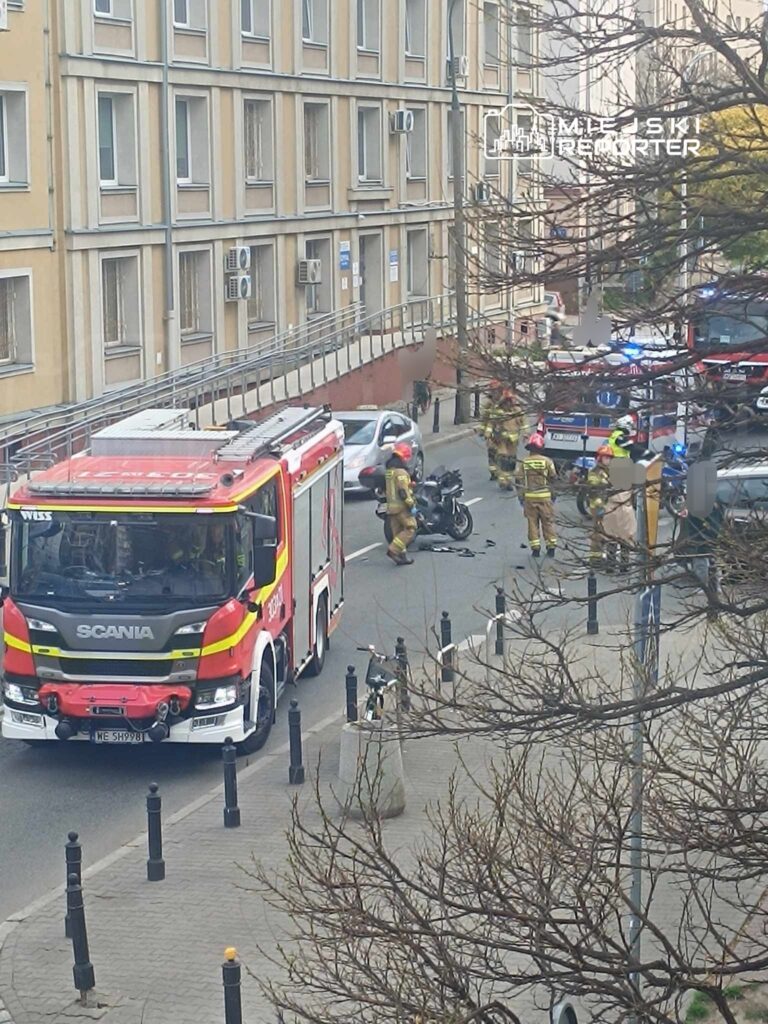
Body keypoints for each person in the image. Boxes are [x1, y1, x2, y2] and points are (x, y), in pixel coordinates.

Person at [587, 446, 636, 571]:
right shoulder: (596, 472)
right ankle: (598, 559)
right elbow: (594, 490)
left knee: (611, 537)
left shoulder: (609, 472)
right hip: (600, 507)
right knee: (603, 535)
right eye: (606, 457)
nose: (608, 460)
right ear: (600, 458)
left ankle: (611, 563)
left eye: (610, 458)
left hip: (609, 508)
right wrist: (599, 507)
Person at [515, 433, 558, 557]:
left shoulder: (524, 462)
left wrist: (521, 497)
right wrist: (553, 494)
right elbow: (553, 477)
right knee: (548, 522)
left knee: (532, 523)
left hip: (530, 498)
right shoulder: (547, 461)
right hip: (545, 498)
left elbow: (518, 479)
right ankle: (551, 547)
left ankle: (535, 549)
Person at [385, 442, 417, 566]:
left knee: (397, 532)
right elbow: (403, 491)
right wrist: (410, 504)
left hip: (391, 508)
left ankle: (402, 556)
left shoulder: (389, 471)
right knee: (410, 528)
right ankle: (393, 550)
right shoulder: (401, 472)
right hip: (401, 507)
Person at [495, 389, 525, 492]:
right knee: (504, 460)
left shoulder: (517, 411)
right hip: (502, 441)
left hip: (513, 441)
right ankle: (503, 482)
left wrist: (526, 433)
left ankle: (508, 480)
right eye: (507, 401)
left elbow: (524, 423)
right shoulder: (499, 412)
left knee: (511, 461)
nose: (509, 403)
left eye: (510, 400)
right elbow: (493, 425)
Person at [478, 380, 504, 481]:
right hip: (492, 432)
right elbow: (485, 418)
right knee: (492, 453)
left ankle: (502, 473)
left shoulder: (505, 401)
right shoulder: (489, 403)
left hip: (503, 432)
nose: (494, 393)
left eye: (495, 390)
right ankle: (493, 472)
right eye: (492, 390)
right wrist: (482, 430)